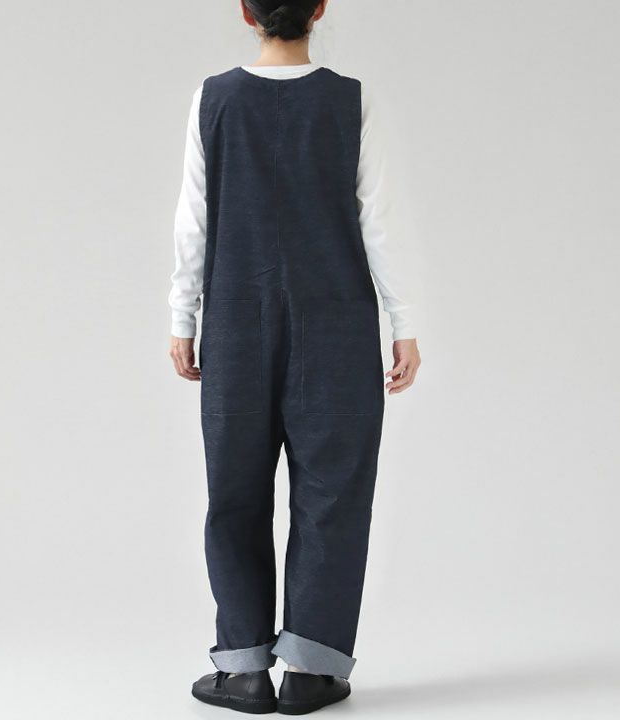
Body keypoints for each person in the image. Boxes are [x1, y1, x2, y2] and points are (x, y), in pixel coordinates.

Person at [168, 0, 421, 714]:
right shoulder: (350, 101)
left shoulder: (214, 99)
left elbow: (194, 218)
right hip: (335, 323)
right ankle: (311, 670)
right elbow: (378, 219)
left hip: (236, 320)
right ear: (320, 8)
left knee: (235, 492)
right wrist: (403, 322)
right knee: (333, 495)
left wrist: (181, 317)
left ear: (245, 11)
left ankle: (244, 669)